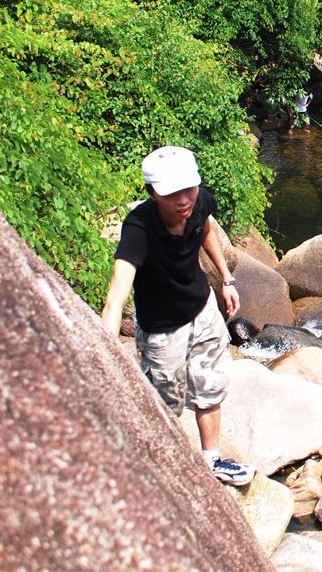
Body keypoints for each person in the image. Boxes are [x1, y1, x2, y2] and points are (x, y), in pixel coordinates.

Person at [101, 146, 255, 487]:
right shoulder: (139, 229)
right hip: (162, 330)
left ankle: (210, 459)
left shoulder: (199, 201)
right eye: (172, 193)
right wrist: (104, 352)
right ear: (153, 193)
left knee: (210, 386)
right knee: (164, 405)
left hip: (202, 311)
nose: (184, 200)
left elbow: (207, 230)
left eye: (189, 188)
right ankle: (159, 473)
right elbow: (116, 296)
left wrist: (226, 280)